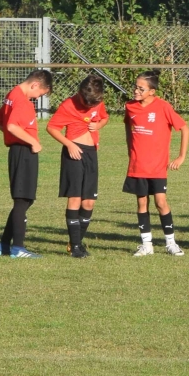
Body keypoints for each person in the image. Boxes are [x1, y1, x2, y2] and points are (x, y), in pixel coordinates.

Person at [123, 69, 189, 258]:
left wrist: (181, 156)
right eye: (135, 87)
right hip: (138, 165)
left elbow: (184, 128)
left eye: (141, 88)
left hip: (158, 166)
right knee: (142, 203)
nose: (136, 91)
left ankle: (171, 243)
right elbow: (127, 125)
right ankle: (146, 245)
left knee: (161, 202)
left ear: (152, 91)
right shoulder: (130, 107)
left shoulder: (163, 107)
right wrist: (130, 148)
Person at [47, 74, 109, 258]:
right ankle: (75, 247)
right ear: (80, 93)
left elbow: (104, 118)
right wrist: (69, 144)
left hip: (91, 153)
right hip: (74, 152)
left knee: (89, 201)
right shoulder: (68, 105)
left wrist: (99, 125)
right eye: (86, 103)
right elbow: (51, 127)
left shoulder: (97, 102)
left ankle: (76, 242)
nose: (89, 106)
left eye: (92, 104)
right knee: (75, 198)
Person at [0, 69, 53, 258]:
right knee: (22, 199)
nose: (37, 98)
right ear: (35, 84)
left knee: (25, 199)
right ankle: (18, 248)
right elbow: (11, 126)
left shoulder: (12, 94)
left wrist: (12, 137)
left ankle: (4, 244)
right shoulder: (22, 101)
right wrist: (32, 141)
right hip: (23, 152)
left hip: (18, 150)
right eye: (40, 94)